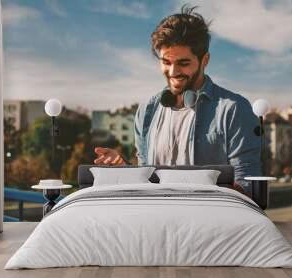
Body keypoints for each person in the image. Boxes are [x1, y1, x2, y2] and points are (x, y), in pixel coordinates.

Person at [94, 5, 261, 197]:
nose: (173, 72)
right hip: (155, 220)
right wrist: (123, 167)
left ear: (204, 60)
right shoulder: (146, 111)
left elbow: (248, 187)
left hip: (208, 222)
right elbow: (145, 180)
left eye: (183, 63)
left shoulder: (234, 109)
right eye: (166, 62)